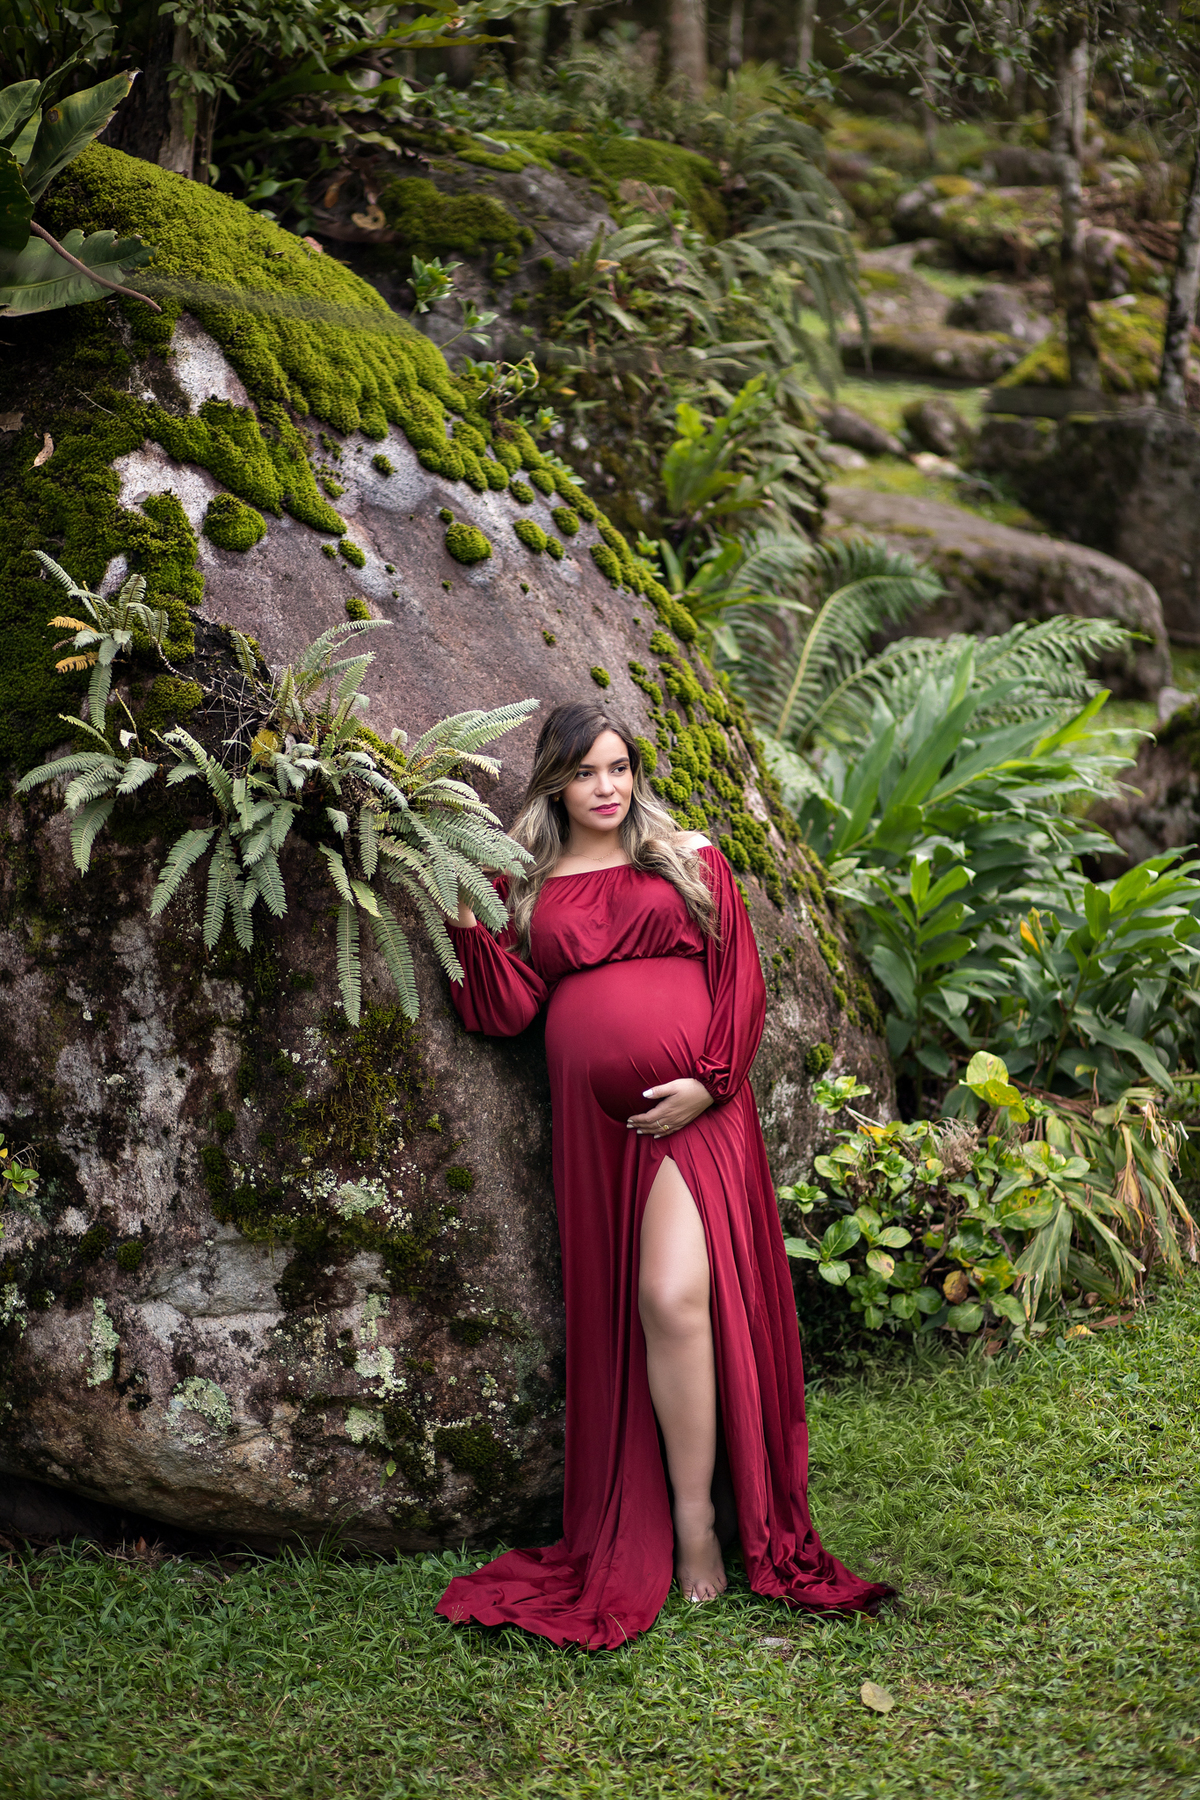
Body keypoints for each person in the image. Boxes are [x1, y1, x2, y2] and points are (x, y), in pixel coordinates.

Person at [435, 700, 892, 1649]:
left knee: (673, 1298)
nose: (606, 788)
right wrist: (463, 913)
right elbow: (503, 1010)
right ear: (554, 784)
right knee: (634, 1309)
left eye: (619, 768)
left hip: (695, 1111)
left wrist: (711, 1082)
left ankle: (696, 1529)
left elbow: (740, 979)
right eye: (585, 773)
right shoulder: (528, 885)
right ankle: (667, 1515)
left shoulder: (687, 858)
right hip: (594, 1129)